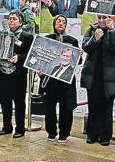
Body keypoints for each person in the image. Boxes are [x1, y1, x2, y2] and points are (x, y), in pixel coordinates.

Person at [81, 14, 115, 146]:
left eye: (104, 18)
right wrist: (95, 38)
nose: (101, 21)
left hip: (108, 77)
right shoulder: (91, 30)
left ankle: (105, 136)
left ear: (109, 18)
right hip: (93, 75)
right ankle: (92, 134)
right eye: (99, 18)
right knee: (93, 106)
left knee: (107, 107)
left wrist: (111, 31)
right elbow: (85, 47)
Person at [40, 14, 79, 143]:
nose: (61, 23)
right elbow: (41, 58)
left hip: (66, 82)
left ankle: (64, 133)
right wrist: (39, 70)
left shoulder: (72, 41)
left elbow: (78, 62)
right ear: (54, 24)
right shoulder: (47, 39)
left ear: (66, 25)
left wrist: (79, 56)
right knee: (49, 108)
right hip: (50, 81)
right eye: (58, 21)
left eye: (63, 21)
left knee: (66, 109)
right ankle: (51, 132)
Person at [0, 10, 32, 138]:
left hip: (18, 74)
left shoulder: (27, 36)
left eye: (14, 18)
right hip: (3, 73)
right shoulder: (3, 34)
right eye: (10, 18)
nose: (11, 21)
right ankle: (6, 126)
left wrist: (19, 58)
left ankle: (20, 128)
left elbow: (31, 55)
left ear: (20, 22)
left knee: (19, 102)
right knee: (5, 101)